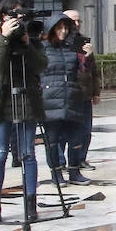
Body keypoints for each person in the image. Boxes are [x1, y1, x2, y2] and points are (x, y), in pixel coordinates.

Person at [0, 0, 49, 221]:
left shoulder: (30, 35)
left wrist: (28, 44)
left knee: (28, 152)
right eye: (15, 14)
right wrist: (4, 38)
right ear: (4, 17)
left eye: (22, 14)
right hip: (1, 98)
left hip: (27, 96)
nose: (20, 18)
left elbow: (41, 65)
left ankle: (31, 204)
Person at [39, 13, 92, 186]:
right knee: (52, 141)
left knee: (76, 138)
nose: (63, 31)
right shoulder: (42, 48)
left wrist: (87, 57)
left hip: (72, 97)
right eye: (59, 28)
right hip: (50, 99)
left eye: (66, 28)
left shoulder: (73, 47)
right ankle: (56, 174)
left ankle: (75, 171)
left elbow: (84, 71)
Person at [62, 9, 101, 174]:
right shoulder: (58, 41)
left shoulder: (82, 40)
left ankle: (80, 158)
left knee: (85, 130)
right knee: (64, 131)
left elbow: (92, 70)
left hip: (84, 94)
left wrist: (96, 91)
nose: (77, 24)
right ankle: (61, 162)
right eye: (73, 21)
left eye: (79, 21)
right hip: (66, 94)